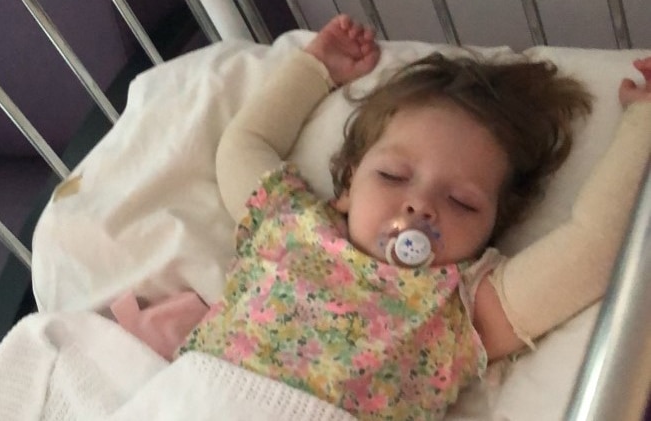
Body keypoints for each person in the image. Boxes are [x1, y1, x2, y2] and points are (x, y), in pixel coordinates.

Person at [113, 15, 651, 420]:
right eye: (393, 176)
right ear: (346, 185)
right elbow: (244, 145)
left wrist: (642, 125)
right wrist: (315, 68)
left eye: (462, 202)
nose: (420, 206)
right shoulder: (288, 219)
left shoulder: (462, 309)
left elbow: (594, 247)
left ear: (493, 229)